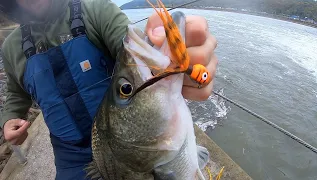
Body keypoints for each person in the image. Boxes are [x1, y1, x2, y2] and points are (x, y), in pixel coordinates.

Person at [0, 0, 218, 179]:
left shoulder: (96, 11)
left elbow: (134, 54)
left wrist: (179, 55)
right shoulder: (11, 48)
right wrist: (10, 118)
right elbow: (15, 92)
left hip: (125, 145)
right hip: (68, 156)